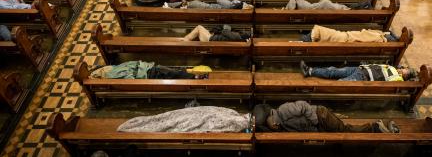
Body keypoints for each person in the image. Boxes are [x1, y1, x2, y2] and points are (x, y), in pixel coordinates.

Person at [254, 100, 400, 133]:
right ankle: (377, 127)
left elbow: (304, 105)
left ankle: (376, 127)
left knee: (345, 131)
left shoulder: (283, 110)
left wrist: (316, 122)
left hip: (320, 115)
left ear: (270, 117)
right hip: (319, 122)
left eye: (271, 125)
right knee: (341, 131)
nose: (273, 127)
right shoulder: (280, 124)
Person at [117, 106, 251, 133]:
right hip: (195, 115)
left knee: (170, 122)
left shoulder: (237, 121)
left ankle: (138, 125)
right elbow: (210, 110)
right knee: (169, 118)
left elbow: (214, 122)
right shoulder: (233, 113)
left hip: (197, 120)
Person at [300, 60, 418, 81]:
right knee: (333, 71)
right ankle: (309, 71)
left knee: (340, 84)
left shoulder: (398, 79)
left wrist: (404, 76)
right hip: (360, 69)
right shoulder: (393, 68)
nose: (403, 69)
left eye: (406, 70)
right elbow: (378, 66)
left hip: (362, 78)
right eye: (404, 68)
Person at [89, 60, 212, 79]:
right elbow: (129, 78)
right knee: (174, 73)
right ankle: (196, 76)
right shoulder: (112, 73)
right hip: (149, 73)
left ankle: (194, 74)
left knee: (174, 72)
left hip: (149, 69)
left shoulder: (112, 69)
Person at [301, 25, 397, 43]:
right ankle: (309, 37)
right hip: (347, 36)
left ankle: (309, 38)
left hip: (346, 38)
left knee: (322, 31)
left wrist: (384, 35)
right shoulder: (378, 36)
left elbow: (365, 33)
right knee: (325, 32)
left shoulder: (378, 38)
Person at [183, 24, 251, 42]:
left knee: (199, 27)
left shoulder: (237, 36)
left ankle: (185, 41)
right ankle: (185, 39)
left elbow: (224, 32)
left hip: (210, 40)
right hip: (213, 39)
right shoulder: (239, 37)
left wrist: (223, 29)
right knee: (204, 30)